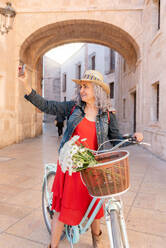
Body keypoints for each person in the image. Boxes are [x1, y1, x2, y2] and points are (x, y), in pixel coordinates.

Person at [19, 69, 143, 248]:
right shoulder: (73, 108)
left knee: (94, 207)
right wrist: (25, 84)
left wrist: (133, 138)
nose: (81, 90)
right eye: (81, 87)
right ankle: (52, 245)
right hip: (71, 169)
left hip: (93, 169)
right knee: (62, 210)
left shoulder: (107, 115)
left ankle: (96, 240)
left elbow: (116, 140)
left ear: (97, 91)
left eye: (86, 87)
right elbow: (47, 105)